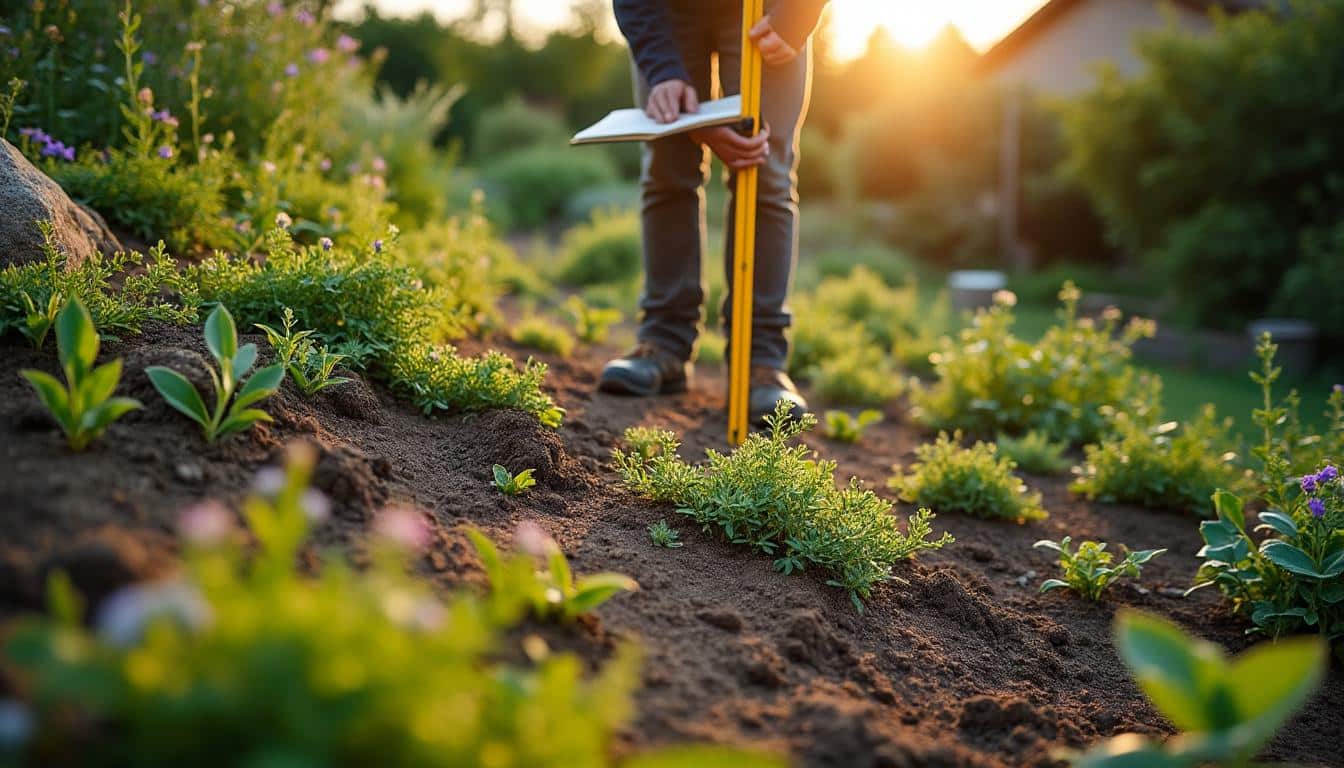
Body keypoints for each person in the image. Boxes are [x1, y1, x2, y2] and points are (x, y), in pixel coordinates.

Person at [602, 0, 827, 422]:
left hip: (766, 10)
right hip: (666, 11)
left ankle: (761, 363)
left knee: (764, 171)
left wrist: (796, 15)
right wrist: (663, 70)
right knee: (667, 168)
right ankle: (664, 344)